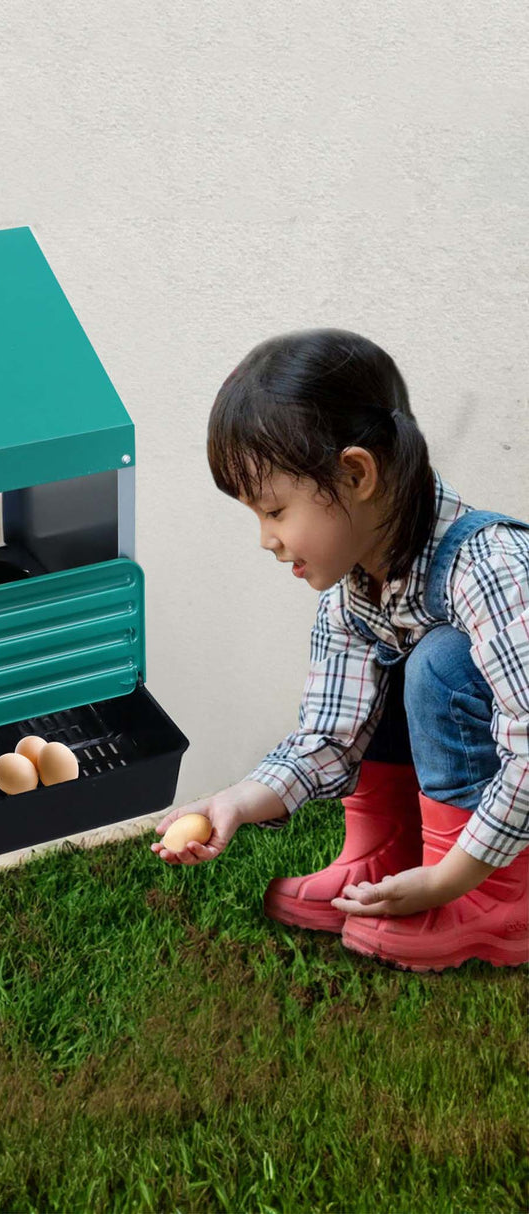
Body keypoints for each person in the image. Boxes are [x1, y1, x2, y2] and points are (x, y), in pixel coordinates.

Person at [152, 328, 529, 971]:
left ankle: (498, 898)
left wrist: (452, 881)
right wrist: (236, 802)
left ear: (355, 474)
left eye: (274, 510)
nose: (266, 539)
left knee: (438, 659)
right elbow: (330, 735)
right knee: (394, 660)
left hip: (506, 826)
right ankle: (386, 857)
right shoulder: (351, 595)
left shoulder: (488, 569)